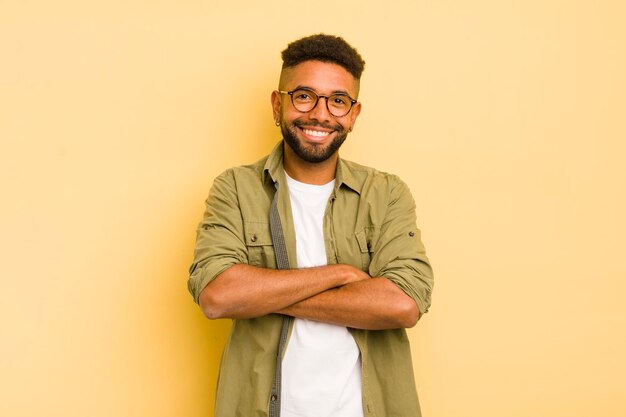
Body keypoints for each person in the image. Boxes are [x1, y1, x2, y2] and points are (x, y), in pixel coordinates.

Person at [188, 33, 434, 417]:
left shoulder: (385, 193)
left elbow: (403, 303)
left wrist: (263, 295)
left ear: (353, 114)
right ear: (277, 104)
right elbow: (218, 296)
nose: (320, 114)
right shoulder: (235, 188)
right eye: (304, 95)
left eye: (338, 101)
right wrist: (340, 274)